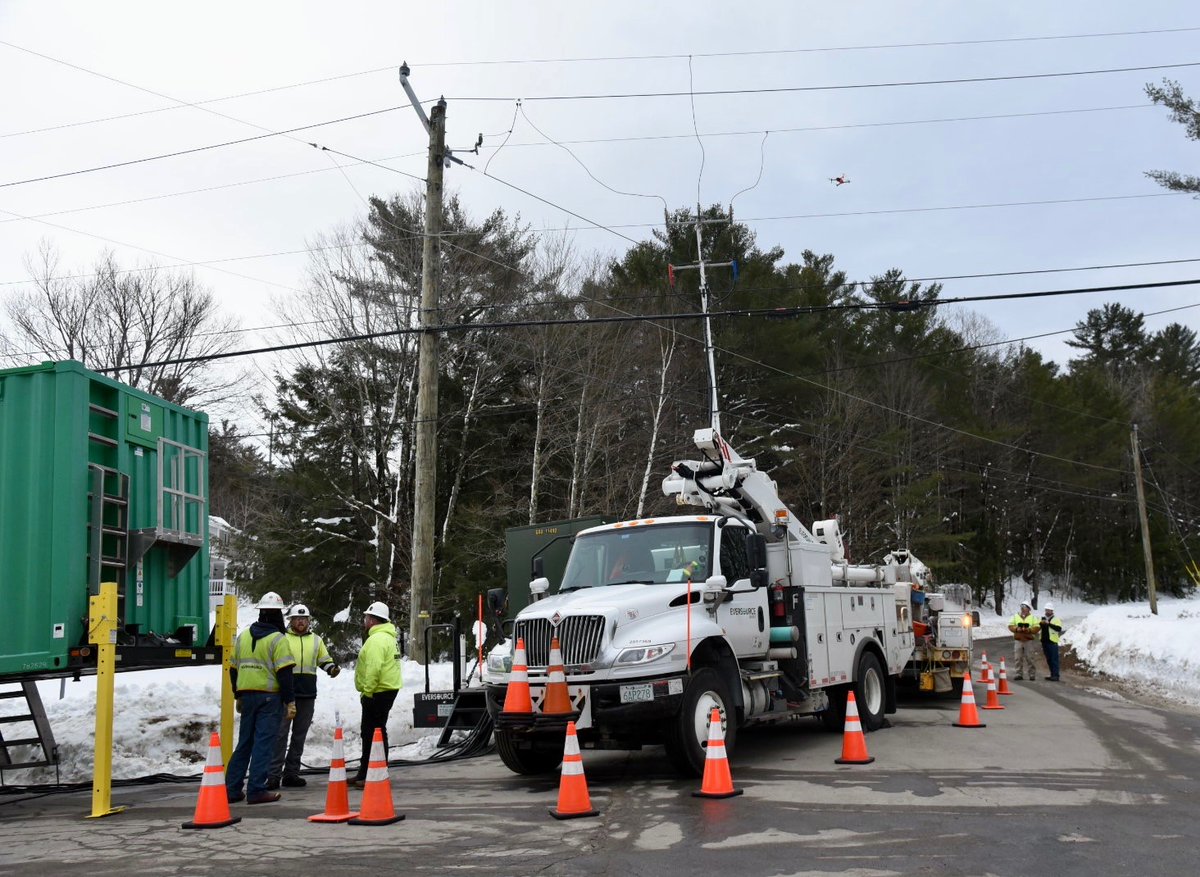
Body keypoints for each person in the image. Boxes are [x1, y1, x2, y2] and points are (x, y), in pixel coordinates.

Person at [226, 591, 296, 805]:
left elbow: (233, 669)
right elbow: (285, 674)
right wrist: (290, 702)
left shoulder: (243, 636)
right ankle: (256, 789)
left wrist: (237, 694)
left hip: (247, 697)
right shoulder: (278, 639)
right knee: (263, 744)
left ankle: (231, 789)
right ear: (278, 616)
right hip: (269, 699)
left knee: (244, 743)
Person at [267, 603, 340, 790]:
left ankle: (292, 774)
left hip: (307, 694)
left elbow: (324, 660)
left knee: (299, 735)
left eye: (304, 619)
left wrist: (331, 669)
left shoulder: (316, 640)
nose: (301, 622)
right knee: (280, 734)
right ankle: (273, 775)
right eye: (297, 619)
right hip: (285, 693)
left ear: (308, 621)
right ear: (290, 621)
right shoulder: (281, 639)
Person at [351, 601, 402, 789]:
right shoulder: (387, 637)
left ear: (372, 620)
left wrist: (368, 692)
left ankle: (375, 773)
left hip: (377, 692)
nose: (365, 621)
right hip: (385, 690)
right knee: (374, 732)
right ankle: (366, 771)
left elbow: (374, 668)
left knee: (373, 733)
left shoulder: (377, 640)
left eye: (366, 617)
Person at [1007, 599, 1039, 681]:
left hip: (1028, 640)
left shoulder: (1033, 618)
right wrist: (1017, 629)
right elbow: (1010, 626)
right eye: (1022, 607)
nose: (1023, 609)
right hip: (1018, 640)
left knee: (1030, 658)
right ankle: (1019, 674)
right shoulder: (1015, 616)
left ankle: (1032, 674)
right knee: (1018, 658)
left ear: (1028, 608)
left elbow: (1037, 627)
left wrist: (1029, 630)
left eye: (1024, 607)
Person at [1040, 602, 1064, 681]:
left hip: (1052, 642)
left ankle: (1056, 675)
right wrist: (1041, 624)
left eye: (1049, 610)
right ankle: (1052, 674)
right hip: (1044, 642)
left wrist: (1049, 624)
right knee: (1049, 659)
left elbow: (1059, 629)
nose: (1047, 612)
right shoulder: (1043, 618)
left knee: (1054, 659)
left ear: (1052, 611)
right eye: (1046, 610)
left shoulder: (1056, 619)